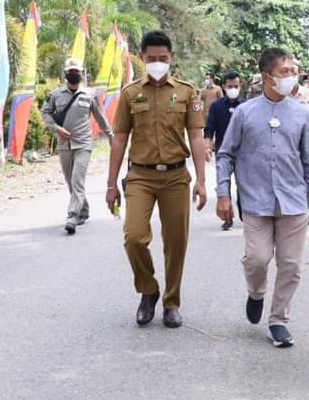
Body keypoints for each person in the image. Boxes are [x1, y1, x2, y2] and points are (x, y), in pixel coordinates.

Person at [216, 48, 309, 348]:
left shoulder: (301, 113)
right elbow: (225, 155)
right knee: (257, 259)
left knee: (291, 265)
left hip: (293, 201)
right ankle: (256, 292)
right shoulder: (245, 113)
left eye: (293, 71)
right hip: (255, 201)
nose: (291, 77)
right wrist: (223, 193)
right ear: (266, 76)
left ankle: (278, 321)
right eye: (284, 72)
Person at [106, 31, 208, 329]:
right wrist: (111, 185)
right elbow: (119, 139)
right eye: (151, 58)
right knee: (134, 237)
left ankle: (171, 302)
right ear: (141, 57)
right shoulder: (130, 93)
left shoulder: (187, 92)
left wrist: (202, 180)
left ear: (171, 57)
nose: (158, 63)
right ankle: (148, 290)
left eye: (163, 58)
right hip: (140, 175)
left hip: (176, 177)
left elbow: (196, 137)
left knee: (176, 243)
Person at [42, 58, 112, 235]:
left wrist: (110, 134)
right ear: (66, 73)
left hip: (83, 144)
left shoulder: (90, 95)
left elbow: (100, 116)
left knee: (77, 180)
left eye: (76, 71)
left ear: (81, 74)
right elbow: (46, 114)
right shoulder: (55, 95)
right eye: (70, 71)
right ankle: (84, 211)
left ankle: (72, 216)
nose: (73, 74)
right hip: (64, 145)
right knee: (70, 182)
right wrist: (56, 128)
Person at [204, 70, 245, 230]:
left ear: (240, 86)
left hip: (244, 153)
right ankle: (227, 217)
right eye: (230, 86)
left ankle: (245, 213)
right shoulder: (216, 106)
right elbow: (209, 129)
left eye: (235, 86)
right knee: (223, 185)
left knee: (244, 185)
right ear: (224, 87)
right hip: (223, 152)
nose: (233, 89)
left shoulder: (246, 106)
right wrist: (207, 146)